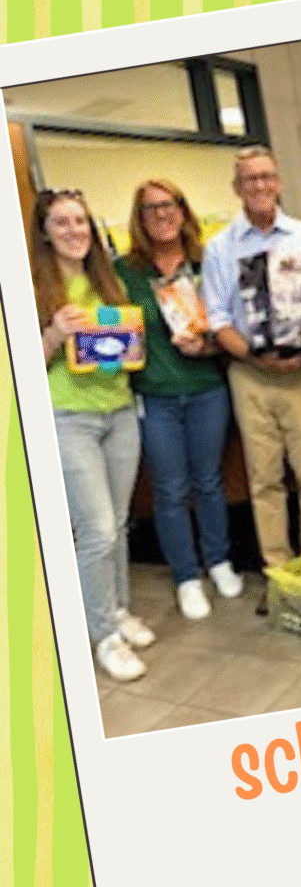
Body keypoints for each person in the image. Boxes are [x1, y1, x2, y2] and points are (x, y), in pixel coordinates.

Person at [202, 146, 301, 609]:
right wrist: (257, 358)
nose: (258, 185)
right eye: (248, 179)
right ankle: (280, 574)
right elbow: (217, 321)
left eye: (266, 177)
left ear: (279, 182)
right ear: (236, 189)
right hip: (250, 375)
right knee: (264, 480)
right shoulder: (220, 248)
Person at [32, 188, 155, 681]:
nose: (73, 231)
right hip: (68, 416)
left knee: (119, 523)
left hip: (120, 410)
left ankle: (120, 609)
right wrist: (54, 334)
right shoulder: (32, 288)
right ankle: (102, 634)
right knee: (97, 529)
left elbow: (126, 345)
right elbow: (19, 365)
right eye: (61, 223)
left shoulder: (106, 279)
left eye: (80, 221)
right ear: (44, 231)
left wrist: (132, 341)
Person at [114, 180, 244, 620]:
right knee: (170, 489)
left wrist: (207, 347)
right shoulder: (124, 271)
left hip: (208, 386)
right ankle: (187, 576)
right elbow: (117, 332)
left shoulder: (207, 262)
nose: (162, 215)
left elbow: (230, 322)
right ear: (140, 218)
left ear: (183, 211)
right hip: (156, 396)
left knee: (209, 480)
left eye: (169, 206)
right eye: (151, 209)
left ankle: (219, 561)